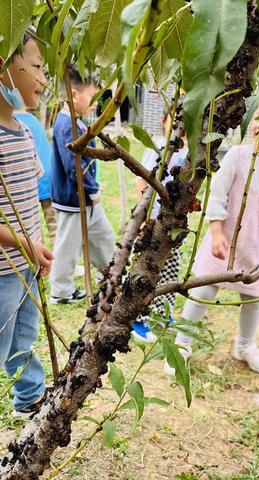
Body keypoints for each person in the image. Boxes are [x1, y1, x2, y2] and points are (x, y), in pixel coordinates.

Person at [164, 100, 259, 375]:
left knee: (254, 298)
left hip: (256, 247)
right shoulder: (238, 156)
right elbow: (218, 194)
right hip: (222, 243)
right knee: (203, 290)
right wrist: (215, 232)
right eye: (256, 118)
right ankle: (182, 342)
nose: (258, 125)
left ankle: (245, 345)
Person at [0, 31, 53, 418]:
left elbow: (26, 201)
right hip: (2, 271)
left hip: (26, 266)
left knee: (24, 336)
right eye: (36, 67)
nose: (44, 79)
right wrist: (22, 243)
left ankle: (31, 397)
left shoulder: (26, 132)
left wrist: (37, 249)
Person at [50, 66, 115, 304]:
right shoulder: (68, 125)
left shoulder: (76, 122)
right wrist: (91, 188)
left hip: (86, 199)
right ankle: (61, 291)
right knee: (68, 246)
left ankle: (110, 275)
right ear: (75, 95)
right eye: (93, 97)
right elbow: (73, 167)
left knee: (103, 236)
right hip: (73, 200)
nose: (96, 103)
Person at [131, 111, 188, 343]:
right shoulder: (157, 149)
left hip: (175, 227)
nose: (178, 126)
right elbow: (141, 183)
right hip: (153, 223)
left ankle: (164, 314)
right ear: (163, 122)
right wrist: (143, 218)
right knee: (146, 271)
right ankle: (138, 319)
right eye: (173, 120)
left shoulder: (190, 155)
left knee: (170, 270)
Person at [14, 110, 56, 244]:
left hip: (31, 180)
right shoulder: (33, 120)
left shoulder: (14, 123)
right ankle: (58, 261)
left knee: (29, 228)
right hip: (49, 176)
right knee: (54, 227)